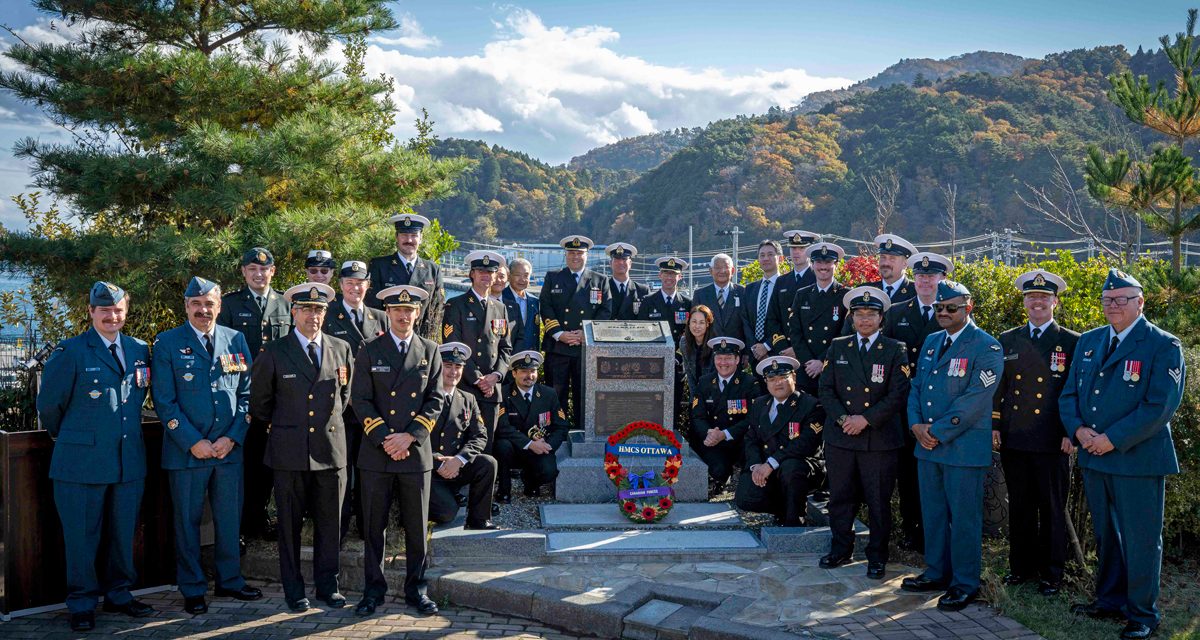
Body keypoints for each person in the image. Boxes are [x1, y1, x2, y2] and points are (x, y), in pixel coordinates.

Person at [1060, 269, 1184, 640]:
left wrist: (1112, 438)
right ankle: (1110, 600)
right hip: (1095, 456)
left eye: (1122, 299)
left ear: (1140, 302)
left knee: (1141, 538)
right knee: (1106, 534)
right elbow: (1069, 395)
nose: (1113, 306)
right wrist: (1079, 431)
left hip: (1137, 458)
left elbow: (1160, 406)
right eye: (1108, 300)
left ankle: (1143, 613)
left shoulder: (1163, 345)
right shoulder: (1090, 341)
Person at [38, 282, 154, 631]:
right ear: (91, 312)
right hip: (80, 463)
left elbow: (138, 395)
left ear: (126, 312)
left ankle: (119, 594)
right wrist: (73, 437)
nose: (112, 316)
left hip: (126, 460)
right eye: (104, 310)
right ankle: (82, 602)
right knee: (82, 537)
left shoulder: (138, 349)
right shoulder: (70, 351)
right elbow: (49, 406)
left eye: (118, 310)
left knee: (123, 534)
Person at [152, 277, 262, 615]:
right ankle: (193, 587)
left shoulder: (235, 339)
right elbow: (164, 401)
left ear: (218, 306)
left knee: (230, 519)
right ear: (186, 306)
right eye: (197, 304)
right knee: (187, 523)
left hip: (228, 451)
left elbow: (247, 394)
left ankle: (229, 580)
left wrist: (232, 437)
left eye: (209, 304)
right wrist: (192, 441)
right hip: (188, 453)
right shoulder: (168, 343)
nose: (204, 310)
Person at [249, 282, 354, 612]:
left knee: (329, 525)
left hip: (330, 450)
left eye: (319, 309)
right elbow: (260, 403)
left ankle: (328, 585)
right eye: (306, 309)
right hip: (289, 451)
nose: (313, 315)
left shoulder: (341, 348)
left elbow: (345, 398)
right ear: (293, 312)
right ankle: (294, 589)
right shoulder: (275, 352)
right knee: (289, 526)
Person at [900, 279, 1003, 612]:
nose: (943, 313)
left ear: (967, 308)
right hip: (927, 446)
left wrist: (937, 432)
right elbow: (916, 387)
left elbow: (975, 399)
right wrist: (916, 425)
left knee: (964, 518)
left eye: (951, 308)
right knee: (933, 514)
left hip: (960, 447)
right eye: (939, 308)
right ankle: (936, 572)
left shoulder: (986, 346)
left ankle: (964, 583)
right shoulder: (932, 341)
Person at [351, 285, 443, 617]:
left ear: (417, 313)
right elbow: (359, 399)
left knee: (417, 528)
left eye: (410, 310)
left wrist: (410, 437)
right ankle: (372, 591)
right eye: (397, 311)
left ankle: (417, 591)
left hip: (415, 454)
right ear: (388, 313)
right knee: (373, 528)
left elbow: (436, 400)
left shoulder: (430, 350)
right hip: (377, 453)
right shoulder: (369, 349)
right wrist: (387, 439)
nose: (404, 316)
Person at [992, 270, 1079, 597]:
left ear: (1055, 301)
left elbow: (1075, 391)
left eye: (1043, 297)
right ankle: (1021, 568)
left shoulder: (1071, 341)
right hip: (1016, 437)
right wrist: (995, 425)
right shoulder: (1008, 339)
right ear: (1024, 302)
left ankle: (1052, 573)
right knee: (1021, 506)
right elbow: (999, 388)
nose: (1037, 302)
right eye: (1031, 297)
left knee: (1053, 508)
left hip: (1053, 438)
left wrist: (1072, 432)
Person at [817, 286, 910, 580]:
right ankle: (840, 549)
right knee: (840, 498)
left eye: (871, 314)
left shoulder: (896, 349)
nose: (865, 319)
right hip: (842, 436)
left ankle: (877, 556)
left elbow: (898, 394)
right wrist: (845, 418)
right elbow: (826, 390)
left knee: (878, 501)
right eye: (859, 314)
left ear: (881, 318)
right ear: (852, 317)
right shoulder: (838, 346)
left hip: (879, 438)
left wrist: (865, 420)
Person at [216, 247, 291, 542]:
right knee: (247, 463)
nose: (259, 274)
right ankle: (245, 526)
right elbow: (224, 351)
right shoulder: (231, 305)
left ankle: (262, 521)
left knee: (273, 464)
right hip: (244, 396)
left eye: (264, 269)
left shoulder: (286, 303)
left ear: (272, 271)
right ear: (244, 273)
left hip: (280, 398)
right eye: (252, 269)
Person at [883, 251, 952, 552]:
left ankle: (935, 529)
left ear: (942, 279)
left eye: (931, 276)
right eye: (921, 276)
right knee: (907, 470)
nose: (925, 281)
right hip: (902, 405)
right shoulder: (897, 312)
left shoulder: (951, 313)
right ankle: (912, 528)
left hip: (938, 406)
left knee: (937, 470)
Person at [322, 260, 388, 542]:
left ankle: (368, 525)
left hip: (373, 408)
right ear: (340, 286)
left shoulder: (380, 317)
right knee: (341, 471)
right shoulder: (328, 314)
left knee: (370, 472)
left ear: (368, 285)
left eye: (360, 282)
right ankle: (339, 527)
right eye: (349, 282)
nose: (355, 288)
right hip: (342, 408)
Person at [734, 355, 826, 526]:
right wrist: (755, 466)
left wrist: (770, 464)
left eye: (783, 377)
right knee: (744, 498)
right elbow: (751, 439)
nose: (778, 383)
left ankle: (794, 519)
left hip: (802, 465)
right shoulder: (760, 404)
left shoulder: (811, 405)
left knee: (791, 468)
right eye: (772, 379)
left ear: (794, 378)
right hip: (769, 464)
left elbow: (804, 444)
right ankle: (782, 508)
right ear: (767, 382)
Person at [540, 235, 612, 428]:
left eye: (580, 253)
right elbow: (545, 307)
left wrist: (585, 334)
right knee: (555, 395)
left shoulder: (600, 280)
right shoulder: (553, 277)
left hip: (585, 349)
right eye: (571, 252)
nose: (575, 257)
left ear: (587, 255)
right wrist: (559, 334)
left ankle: (583, 432)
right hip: (558, 348)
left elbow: (605, 312)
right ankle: (557, 433)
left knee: (585, 395)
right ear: (566, 254)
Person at [443, 250, 512, 451]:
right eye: (480, 271)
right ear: (472, 274)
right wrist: (478, 379)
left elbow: (506, 348)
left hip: (492, 388)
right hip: (466, 385)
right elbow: (453, 346)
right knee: (460, 442)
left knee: (486, 444)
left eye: (490, 272)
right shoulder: (456, 305)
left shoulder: (500, 308)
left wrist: (496, 376)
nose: (485, 276)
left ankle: (485, 483)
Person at [427, 341, 499, 530]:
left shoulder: (468, 399)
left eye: (458, 367)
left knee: (487, 463)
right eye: (448, 366)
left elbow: (480, 436)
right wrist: (439, 462)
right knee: (447, 513)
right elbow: (416, 437)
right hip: (429, 470)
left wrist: (460, 459)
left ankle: (479, 519)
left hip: (456, 467)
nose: (453, 372)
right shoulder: (424, 396)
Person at [495, 351, 572, 501]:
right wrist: (529, 444)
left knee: (549, 472)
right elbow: (502, 427)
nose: (529, 376)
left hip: (540, 447)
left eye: (533, 371)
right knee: (501, 446)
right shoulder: (503, 393)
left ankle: (530, 482)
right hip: (515, 447)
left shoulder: (548, 394)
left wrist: (547, 446)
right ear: (514, 373)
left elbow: (561, 426)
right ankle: (504, 489)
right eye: (524, 371)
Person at [688, 337, 761, 497]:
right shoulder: (705, 382)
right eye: (719, 358)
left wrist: (725, 434)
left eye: (728, 358)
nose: (723, 362)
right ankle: (722, 478)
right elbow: (697, 416)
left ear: (737, 360)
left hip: (740, 439)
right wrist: (709, 433)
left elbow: (752, 419)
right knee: (718, 470)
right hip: (713, 439)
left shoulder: (750, 383)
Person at [778, 242, 849, 395]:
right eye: (818, 262)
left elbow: (845, 335)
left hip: (833, 367)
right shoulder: (802, 294)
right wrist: (809, 362)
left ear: (836, 264)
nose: (823, 267)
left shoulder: (845, 295)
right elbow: (795, 332)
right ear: (812, 263)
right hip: (806, 369)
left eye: (828, 262)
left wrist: (822, 361)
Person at [366, 213, 444, 339]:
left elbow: (437, 309)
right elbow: (372, 306)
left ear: (421, 238)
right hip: (386, 338)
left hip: (420, 340)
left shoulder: (433, 270)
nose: (409, 240)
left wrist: (426, 339)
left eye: (414, 235)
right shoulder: (379, 266)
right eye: (404, 235)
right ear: (396, 237)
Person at [768, 230, 819, 339]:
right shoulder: (781, 281)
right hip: (783, 347)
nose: (796, 252)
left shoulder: (818, 279)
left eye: (801, 248)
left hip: (809, 349)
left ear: (810, 251)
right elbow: (772, 318)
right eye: (793, 248)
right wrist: (781, 345)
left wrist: (798, 348)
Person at [743, 240, 786, 370]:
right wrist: (756, 349)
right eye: (762, 255)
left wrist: (766, 346)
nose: (766, 258)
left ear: (781, 258)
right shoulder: (750, 289)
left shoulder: (787, 286)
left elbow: (787, 323)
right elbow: (746, 321)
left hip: (779, 352)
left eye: (770, 254)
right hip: (755, 356)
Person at [636, 256, 693, 343]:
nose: (669, 278)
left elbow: (689, 332)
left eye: (673, 274)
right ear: (660, 275)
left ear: (680, 276)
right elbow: (642, 331)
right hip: (655, 350)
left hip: (679, 353)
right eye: (666, 273)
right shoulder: (647, 301)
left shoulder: (687, 303)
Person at [692, 253, 746, 341]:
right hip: (707, 350)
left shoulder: (743, 292)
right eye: (717, 267)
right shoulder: (700, 294)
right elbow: (694, 324)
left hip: (737, 350)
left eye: (726, 267)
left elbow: (747, 323)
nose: (722, 271)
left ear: (732, 271)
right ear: (710, 271)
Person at [502, 257, 541, 354]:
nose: (522, 279)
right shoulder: (500, 298)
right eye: (517, 275)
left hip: (528, 355)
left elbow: (534, 332)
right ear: (509, 276)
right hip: (507, 354)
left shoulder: (534, 301)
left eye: (526, 275)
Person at [864, 234, 917, 304]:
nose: (886, 263)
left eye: (892, 258)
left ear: (905, 263)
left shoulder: (918, 292)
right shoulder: (866, 290)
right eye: (883, 257)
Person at [607, 242, 649, 320]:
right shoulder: (604, 288)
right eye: (616, 259)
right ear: (610, 263)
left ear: (630, 263)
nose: (620, 262)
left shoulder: (642, 290)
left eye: (624, 259)